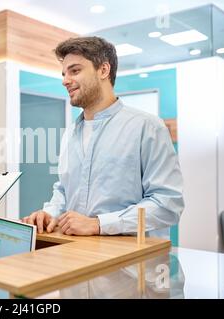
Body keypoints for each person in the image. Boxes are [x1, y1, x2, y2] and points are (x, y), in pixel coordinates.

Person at [22, 37, 184, 238]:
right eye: (64, 74)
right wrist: (50, 213)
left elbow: (167, 204)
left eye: (75, 70)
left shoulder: (147, 127)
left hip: (132, 263)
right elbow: (63, 190)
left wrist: (99, 224)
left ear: (104, 70)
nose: (65, 80)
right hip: (78, 254)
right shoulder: (70, 133)